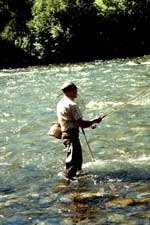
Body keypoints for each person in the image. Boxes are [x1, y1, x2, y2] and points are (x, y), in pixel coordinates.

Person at [57, 82, 102, 180]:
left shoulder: (61, 103)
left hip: (65, 134)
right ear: (69, 91)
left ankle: (78, 184)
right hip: (71, 135)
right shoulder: (72, 105)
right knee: (73, 164)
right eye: (75, 90)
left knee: (77, 162)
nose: (76, 92)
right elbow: (82, 123)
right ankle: (69, 185)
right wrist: (95, 121)